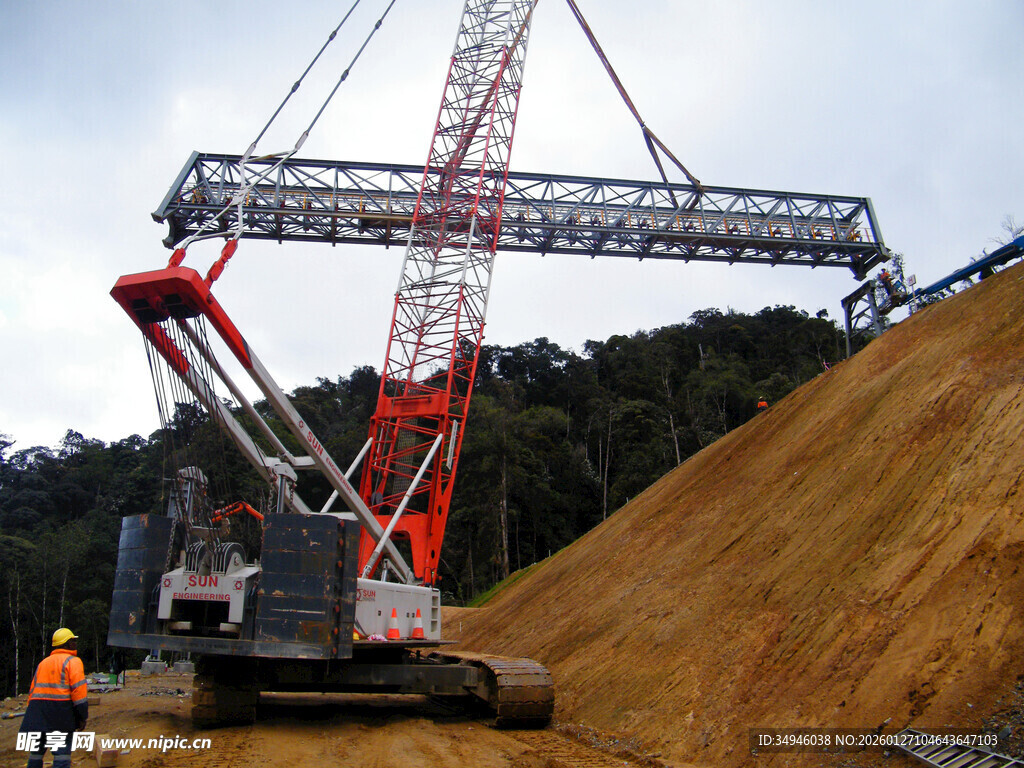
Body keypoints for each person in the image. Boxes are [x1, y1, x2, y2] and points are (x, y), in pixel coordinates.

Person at [19, 628, 88, 768]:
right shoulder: (73, 661)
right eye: (73, 641)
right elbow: (79, 693)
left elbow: (32, 692)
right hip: (60, 713)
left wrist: (33, 714)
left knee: (36, 753)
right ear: (67, 644)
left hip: (37, 713)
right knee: (61, 754)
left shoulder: (43, 663)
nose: (75, 643)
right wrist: (82, 717)